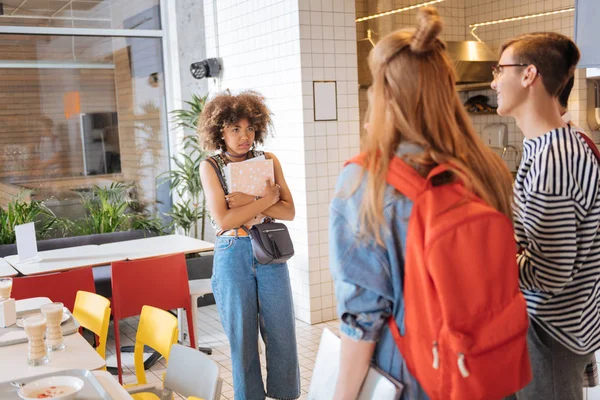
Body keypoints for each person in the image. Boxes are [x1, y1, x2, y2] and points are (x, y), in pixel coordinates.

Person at [329, 7, 515, 400]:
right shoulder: (488, 170)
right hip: (482, 368)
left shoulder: (366, 182)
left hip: (411, 375)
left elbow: (363, 320)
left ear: (385, 96)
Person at [492, 32, 600, 400]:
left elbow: (551, 274)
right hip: (565, 325)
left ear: (529, 75)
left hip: (549, 330)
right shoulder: (561, 142)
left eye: (499, 69)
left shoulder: (552, 160)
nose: (493, 82)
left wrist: (491, 256)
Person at [198, 90, 300, 400]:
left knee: (282, 334)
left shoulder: (268, 160)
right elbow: (224, 221)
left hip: (269, 254)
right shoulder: (210, 167)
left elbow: (289, 211)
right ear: (220, 131)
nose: (245, 136)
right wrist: (268, 200)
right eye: (235, 129)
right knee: (242, 339)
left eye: (250, 128)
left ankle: (284, 395)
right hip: (233, 255)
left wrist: (254, 202)